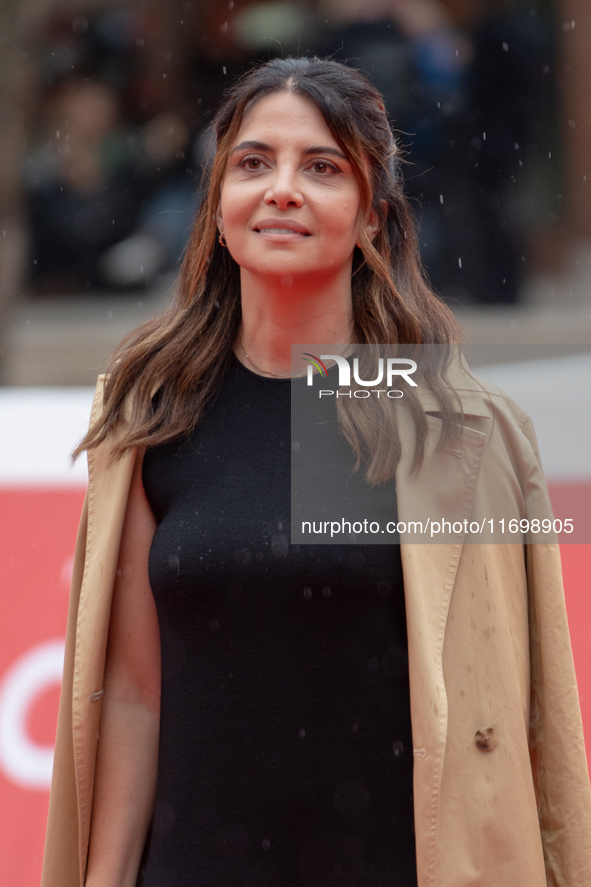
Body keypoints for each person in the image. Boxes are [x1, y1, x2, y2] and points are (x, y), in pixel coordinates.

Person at [41, 57, 591, 887]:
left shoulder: (442, 422)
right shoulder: (158, 413)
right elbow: (130, 694)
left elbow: (527, 709)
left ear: (371, 215)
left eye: (323, 167)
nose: (282, 189)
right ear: (218, 207)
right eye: (253, 163)